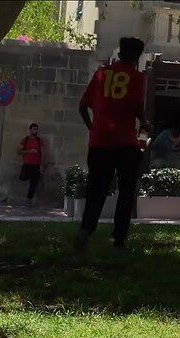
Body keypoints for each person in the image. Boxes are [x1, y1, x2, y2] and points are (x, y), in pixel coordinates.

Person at [76, 37, 149, 252]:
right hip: (125, 142)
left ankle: (86, 230)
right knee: (126, 190)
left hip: (99, 142)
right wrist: (144, 122)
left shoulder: (101, 73)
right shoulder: (137, 77)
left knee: (96, 189)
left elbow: (83, 106)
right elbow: (136, 106)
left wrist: (92, 128)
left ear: (120, 53)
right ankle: (119, 240)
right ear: (136, 56)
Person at [18, 123, 44, 207]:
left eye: (37, 129)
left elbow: (42, 152)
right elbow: (19, 151)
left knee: (34, 183)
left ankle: (29, 199)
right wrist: (29, 152)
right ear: (30, 130)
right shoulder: (25, 140)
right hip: (27, 164)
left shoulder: (39, 141)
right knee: (23, 179)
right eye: (34, 129)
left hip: (36, 165)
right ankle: (21, 196)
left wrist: (42, 164)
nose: (36, 131)